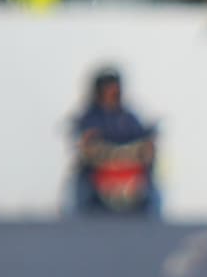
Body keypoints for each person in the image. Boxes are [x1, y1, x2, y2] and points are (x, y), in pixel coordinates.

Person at [68, 66, 159, 212]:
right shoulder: (89, 118)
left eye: (116, 88)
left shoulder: (129, 118)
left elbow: (145, 145)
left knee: (154, 193)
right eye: (109, 88)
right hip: (97, 183)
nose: (114, 92)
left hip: (129, 181)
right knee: (79, 190)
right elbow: (87, 147)